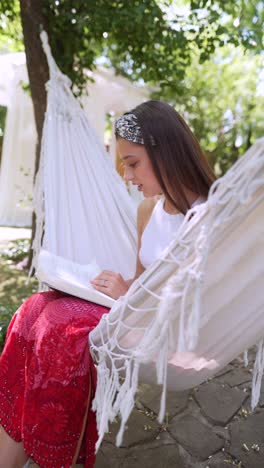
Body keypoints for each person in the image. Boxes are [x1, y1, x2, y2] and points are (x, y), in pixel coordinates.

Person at [0, 100, 215, 467]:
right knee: (32, 309)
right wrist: (120, 284)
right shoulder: (148, 209)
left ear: (166, 152)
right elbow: (141, 279)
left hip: (163, 329)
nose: (127, 176)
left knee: (60, 329)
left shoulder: (208, 219)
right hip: (129, 310)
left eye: (132, 163)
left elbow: (193, 303)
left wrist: (129, 295)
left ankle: (57, 453)